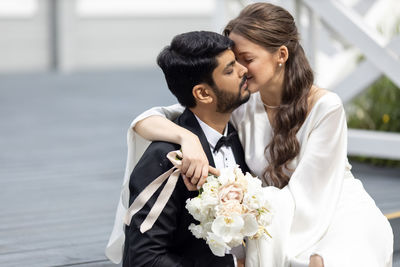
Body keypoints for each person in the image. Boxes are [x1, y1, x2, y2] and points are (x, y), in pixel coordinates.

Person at [118, 3, 394, 267]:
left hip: (332, 209)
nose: (240, 70)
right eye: (234, 61)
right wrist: (187, 139)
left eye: (247, 59)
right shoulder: (243, 102)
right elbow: (149, 119)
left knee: (323, 260)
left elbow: (310, 199)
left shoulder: (325, 107)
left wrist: (237, 199)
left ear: (281, 56)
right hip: (275, 216)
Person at [108, 31, 252, 266]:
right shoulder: (167, 159)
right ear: (203, 93)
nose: (243, 70)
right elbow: (144, 259)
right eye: (229, 69)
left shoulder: (243, 135)